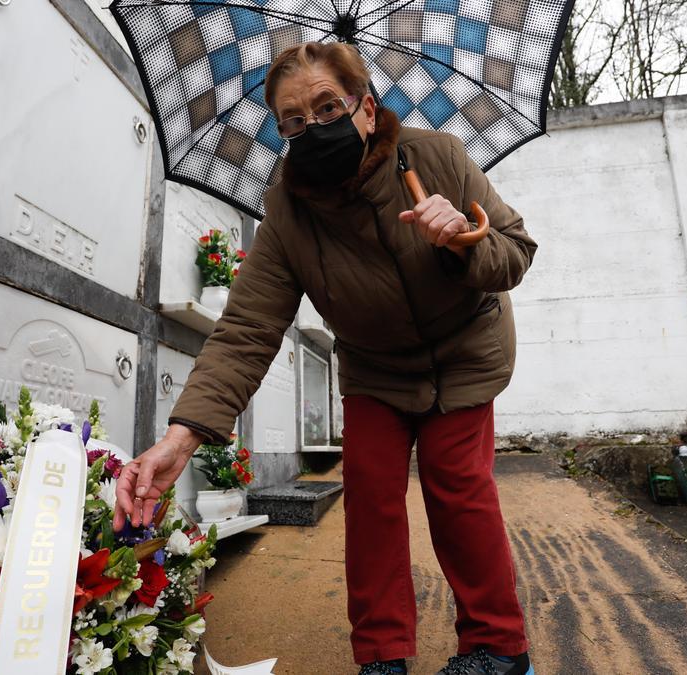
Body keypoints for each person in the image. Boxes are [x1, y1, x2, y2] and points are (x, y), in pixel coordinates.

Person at [113, 42, 537, 675]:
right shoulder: (287, 209)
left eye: (328, 106)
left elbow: (516, 251)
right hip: (376, 369)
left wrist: (463, 241)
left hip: (464, 352)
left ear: (367, 110)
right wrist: (183, 436)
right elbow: (249, 327)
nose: (312, 126)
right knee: (369, 499)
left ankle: (498, 649)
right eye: (293, 119)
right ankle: (383, 656)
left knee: (458, 489)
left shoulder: (438, 158)